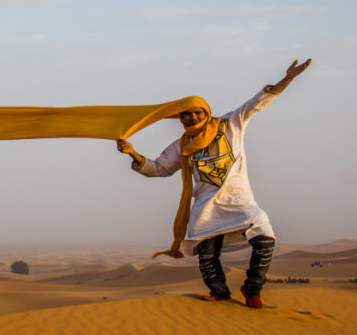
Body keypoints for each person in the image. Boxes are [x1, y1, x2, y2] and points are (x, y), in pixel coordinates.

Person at [117, 59, 311, 308]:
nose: (192, 117)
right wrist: (132, 153)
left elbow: (258, 103)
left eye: (197, 112)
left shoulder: (231, 124)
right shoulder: (182, 145)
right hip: (206, 206)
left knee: (265, 239)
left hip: (239, 201)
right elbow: (159, 168)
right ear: (180, 119)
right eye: (186, 114)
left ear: (206, 113)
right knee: (208, 256)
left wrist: (288, 78)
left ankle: (252, 288)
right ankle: (219, 292)